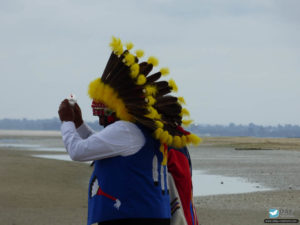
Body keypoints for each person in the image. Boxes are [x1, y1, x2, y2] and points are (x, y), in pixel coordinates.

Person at [58, 37, 201, 225]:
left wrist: (66, 122)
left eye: (101, 115)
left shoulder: (126, 130)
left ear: (114, 109)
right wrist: (78, 124)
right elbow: (103, 145)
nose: (100, 121)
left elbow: (78, 151)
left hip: (133, 217)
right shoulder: (136, 130)